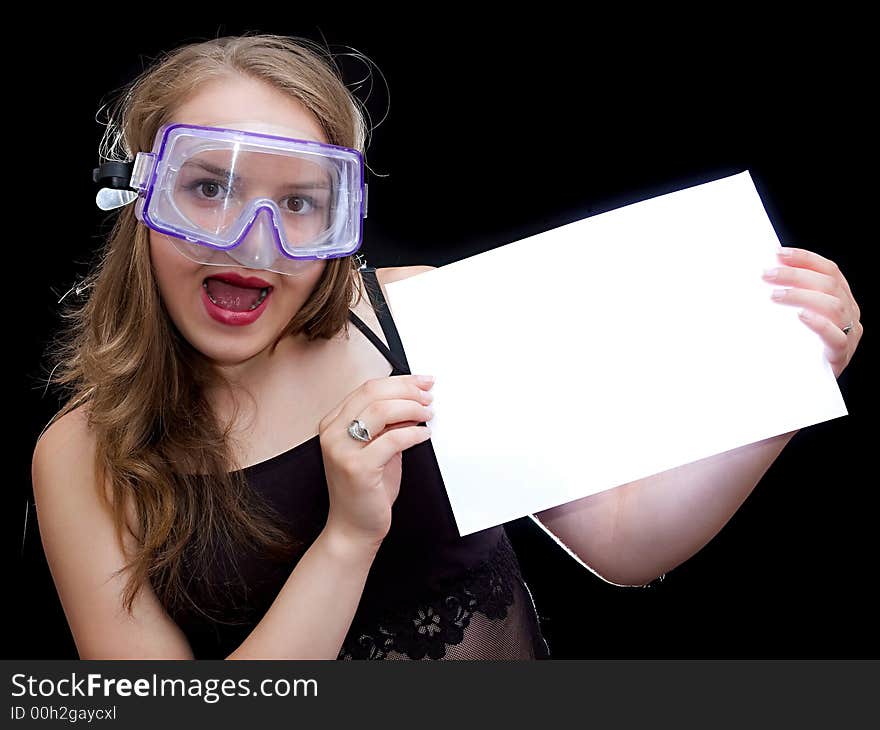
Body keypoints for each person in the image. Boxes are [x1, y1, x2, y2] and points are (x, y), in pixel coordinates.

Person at [31, 34, 863, 661]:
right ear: (140, 194)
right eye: (209, 186)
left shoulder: (414, 316)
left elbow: (621, 544)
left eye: (301, 202)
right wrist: (348, 538)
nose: (254, 243)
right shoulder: (81, 457)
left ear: (341, 218)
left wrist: (791, 381)